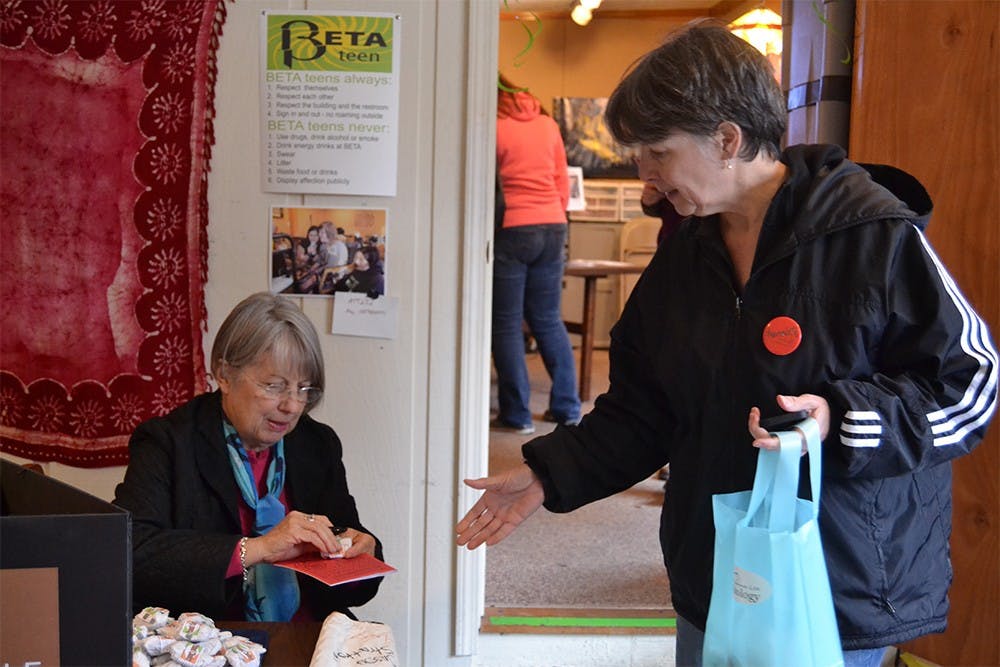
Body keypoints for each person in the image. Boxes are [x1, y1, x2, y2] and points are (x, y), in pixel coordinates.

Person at [457, 21, 997, 667]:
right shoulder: (686, 253)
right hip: (714, 575)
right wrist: (551, 470)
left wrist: (842, 417)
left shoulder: (873, 235)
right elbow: (644, 407)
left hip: (837, 583)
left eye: (656, 153)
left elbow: (968, 382)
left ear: (728, 139)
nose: (647, 181)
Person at [114, 292, 384, 621]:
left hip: (307, 632)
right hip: (210, 638)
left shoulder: (316, 444)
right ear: (224, 374)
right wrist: (258, 549)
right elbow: (132, 553)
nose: (292, 406)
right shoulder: (168, 442)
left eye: (303, 388)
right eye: (274, 385)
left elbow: (354, 576)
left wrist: (362, 554)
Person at [492, 72, 582, 435]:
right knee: (547, 319)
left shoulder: (495, 128)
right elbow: (562, 180)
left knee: (507, 324)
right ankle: (567, 407)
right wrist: (553, 216)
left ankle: (517, 414)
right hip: (553, 224)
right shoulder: (548, 125)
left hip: (514, 227)